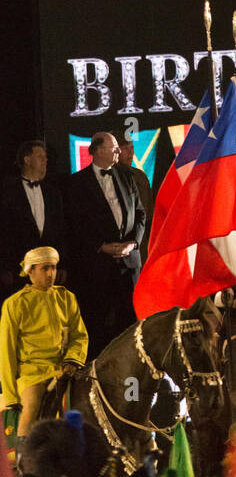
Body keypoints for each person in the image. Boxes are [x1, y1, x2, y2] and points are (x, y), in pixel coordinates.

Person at [63, 131, 145, 357]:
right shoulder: (76, 183)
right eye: (114, 147)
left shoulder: (128, 176)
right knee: (100, 324)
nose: (119, 151)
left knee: (131, 322)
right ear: (97, 150)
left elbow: (140, 214)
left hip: (129, 264)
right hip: (97, 266)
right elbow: (75, 223)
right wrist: (101, 246)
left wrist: (133, 244)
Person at [0, 246, 88, 438]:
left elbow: (80, 336)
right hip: (33, 374)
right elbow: (6, 352)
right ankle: (24, 459)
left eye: (54, 268)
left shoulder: (66, 297)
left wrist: (72, 361)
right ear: (30, 270)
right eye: (45, 268)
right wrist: (10, 395)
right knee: (31, 407)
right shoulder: (14, 304)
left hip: (66, 369)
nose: (51, 274)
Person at [0, 140, 67, 301]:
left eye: (46, 158)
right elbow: (3, 233)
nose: (45, 161)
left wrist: (63, 264)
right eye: (40, 157)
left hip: (50, 271)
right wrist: (4, 268)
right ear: (27, 159)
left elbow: (61, 231)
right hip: (19, 271)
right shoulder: (7, 192)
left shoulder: (52, 193)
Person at [116, 136, 153, 227]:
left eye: (132, 147)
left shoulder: (140, 176)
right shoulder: (108, 177)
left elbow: (149, 212)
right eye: (125, 148)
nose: (130, 152)